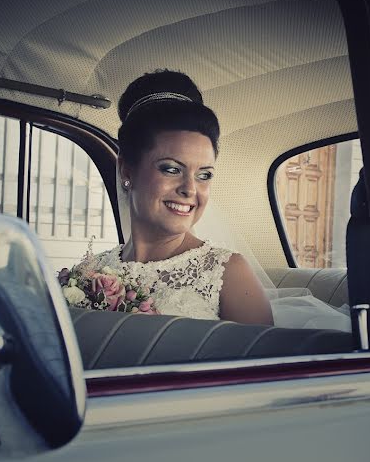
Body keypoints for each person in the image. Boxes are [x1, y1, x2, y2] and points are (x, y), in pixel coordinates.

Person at [85, 70, 274, 324]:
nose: (190, 189)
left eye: (204, 175)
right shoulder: (90, 272)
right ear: (126, 170)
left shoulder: (227, 274)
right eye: (172, 169)